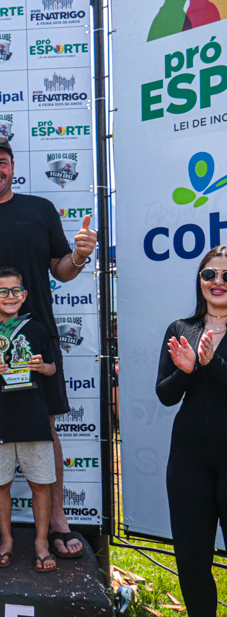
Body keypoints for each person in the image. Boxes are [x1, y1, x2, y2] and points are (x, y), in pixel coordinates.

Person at [0, 133, 97, 557]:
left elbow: (61, 271)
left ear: (12, 166)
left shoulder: (40, 210)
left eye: (1, 161)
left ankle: (58, 519)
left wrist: (80, 255)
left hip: (37, 334)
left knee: (46, 426)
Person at [0, 268, 57, 572]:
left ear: (24, 295)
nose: (10, 296)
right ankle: (6, 540)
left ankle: (41, 543)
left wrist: (42, 368)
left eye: (16, 291)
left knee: (41, 484)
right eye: (2, 292)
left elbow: (53, 368)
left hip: (34, 420)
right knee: (0, 485)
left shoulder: (37, 329)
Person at [156, 245, 227, 616]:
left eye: (226, 275)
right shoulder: (180, 329)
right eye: (209, 274)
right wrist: (185, 371)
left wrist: (210, 362)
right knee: (191, 560)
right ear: (199, 280)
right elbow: (166, 395)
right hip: (188, 461)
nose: (218, 281)